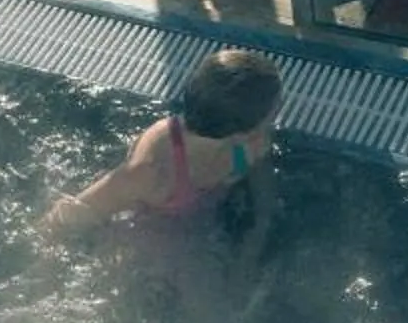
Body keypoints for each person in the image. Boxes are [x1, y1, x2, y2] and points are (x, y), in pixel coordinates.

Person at [42, 48, 282, 245]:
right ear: (243, 132)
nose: (276, 116)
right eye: (273, 112)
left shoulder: (253, 144)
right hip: (150, 238)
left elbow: (264, 205)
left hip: (204, 225)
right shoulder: (151, 170)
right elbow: (66, 217)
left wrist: (250, 253)